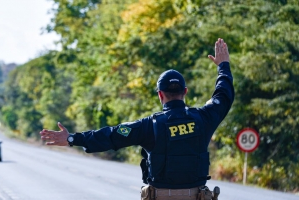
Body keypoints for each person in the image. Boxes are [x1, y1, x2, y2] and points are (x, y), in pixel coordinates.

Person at [40, 38, 234, 200]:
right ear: (185, 92)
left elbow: (111, 135)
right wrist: (223, 67)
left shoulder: (149, 126)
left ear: (160, 95)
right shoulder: (204, 118)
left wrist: (72, 138)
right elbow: (223, 96)